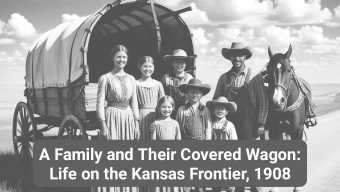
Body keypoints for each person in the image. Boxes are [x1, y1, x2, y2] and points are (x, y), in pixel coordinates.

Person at [96, 44, 139, 192]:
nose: (122, 60)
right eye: (119, 57)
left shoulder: (131, 78)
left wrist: (136, 123)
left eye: (124, 57)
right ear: (113, 58)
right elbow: (100, 103)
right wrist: (103, 125)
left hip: (127, 117)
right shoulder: (105, 78)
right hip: (112, 116)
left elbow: (134, 102)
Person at [213, 42, 268, 140]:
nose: (237, 58)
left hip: (250, 123)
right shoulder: (223, 78)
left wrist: (261, 124)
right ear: (230, 57)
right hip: (229, 122)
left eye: (240, 55)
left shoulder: (255, 77)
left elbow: (263, 102)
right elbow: (216, 100)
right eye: (234, 55)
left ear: (245, 56)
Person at [176, 78, 212, 192]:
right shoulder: (182, 110)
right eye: (192, 92)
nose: (194, 95)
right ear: (187, 93)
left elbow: (208, 128)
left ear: (201, 94)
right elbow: (178, 127)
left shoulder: (205, 110)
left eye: (197, 92)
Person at [206, 96, 237, 192]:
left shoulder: (230, 125)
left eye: (222, 109)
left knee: (229, 185)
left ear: (227, 111)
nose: (220, 111)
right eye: (217, 108)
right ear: (213, 110)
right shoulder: (210, 123)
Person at [136, 56, 165, 140]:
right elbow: (133, 104)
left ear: (154, 67)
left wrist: (162, 119)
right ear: (139, 67)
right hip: (141, 116)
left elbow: (163, 103)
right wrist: (136, 122)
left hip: (157, 116)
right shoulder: (136, 83)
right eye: (145, 66)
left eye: (150, 66)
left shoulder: (158, 84)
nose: (147, 69)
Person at [161, 49, 194, 115]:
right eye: (177, 62)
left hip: (185, 112)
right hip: (169, 112)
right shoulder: (166, 78)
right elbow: (161, 97)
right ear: (172, 63)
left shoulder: (190, 78)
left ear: (186, 64)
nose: (179, 65)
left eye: (182, 62)